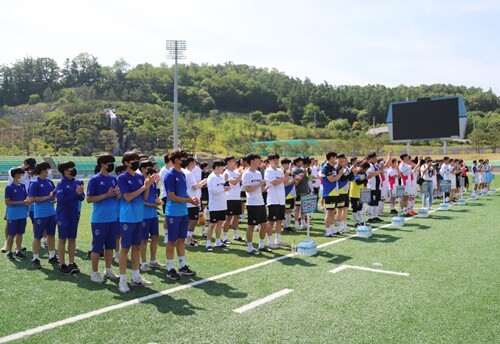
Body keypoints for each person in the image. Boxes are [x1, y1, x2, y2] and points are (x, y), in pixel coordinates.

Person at [116, 151, 154, 293]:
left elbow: (144, 197)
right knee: (125, 249)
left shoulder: (139, 177)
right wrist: (144, 187)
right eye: (133, 160)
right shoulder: (122, 178)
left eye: (137, 159)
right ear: (126, 163)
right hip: (127, 218)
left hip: (139, 217)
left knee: (137, 247)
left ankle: (136, 276)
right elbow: (127, 197)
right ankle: (122, 280)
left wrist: (148, 185)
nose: (136, 162)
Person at [86, 154, 121, 283]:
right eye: (109, 163)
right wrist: (105, 195)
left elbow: (117, 198)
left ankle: (108, 270)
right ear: (102, 165)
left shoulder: (113, 179)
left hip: (112, 218)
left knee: (110, 247)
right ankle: (94, 273)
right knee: (97, 247)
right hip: (99, 220)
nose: (111, 165)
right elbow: (89, 199)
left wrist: (118, 195)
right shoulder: (94, 180)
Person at [164, 149, 198, 280]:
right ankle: (170, 268)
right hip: (173, 212)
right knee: (172, 241)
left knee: (181, 240)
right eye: (183, 158)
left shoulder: (182, 174)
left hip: (183, 212)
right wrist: (189, 200)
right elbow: (171, 196)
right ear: (177, 160)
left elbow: (183, 193)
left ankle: (182, 266)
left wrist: (192, 199)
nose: (185, 160)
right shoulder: (170, 175)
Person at [55, 161, 85, 274]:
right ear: (65, 170)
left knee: (72, 239)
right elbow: (61, 200)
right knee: (62, 239)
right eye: (71, 167)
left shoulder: (77, 182)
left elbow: (82, 198)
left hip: (74, 214)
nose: (73, 169)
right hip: (63, 215)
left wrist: (80, 193)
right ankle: (62, 264)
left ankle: (72, 263)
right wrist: (76, 193)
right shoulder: (61, 183)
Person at [1, 158, 35, 253]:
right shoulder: (14, 170)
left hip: (24, 201)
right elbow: (13, 173)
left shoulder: (28, 174)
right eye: (29, 167)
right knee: (9, 222)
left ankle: (18, 245)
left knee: (21, 222)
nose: (30, 170)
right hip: (13, 201)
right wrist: (23, 171)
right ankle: (7, 244)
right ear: (25, 163)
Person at [29, 162, 57, 269]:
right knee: (37, 236)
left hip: (51, 212)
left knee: (51, 235)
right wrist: (47, 197)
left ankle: (52, 256)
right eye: (47, 169)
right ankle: (35, 258)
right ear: (43, 170)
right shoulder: (35, 183)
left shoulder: (49, 182)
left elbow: (54, 195)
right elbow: (32, 199)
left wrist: (54, 199)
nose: (49, 171)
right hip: (40, 213)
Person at [242, 153, 271, 254]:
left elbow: (260, 188)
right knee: (251, 226)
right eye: (259, 159)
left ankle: (261, 245)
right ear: (253, 160)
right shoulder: (246, 173)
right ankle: (250, 247)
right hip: (252, 203)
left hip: (261, 202)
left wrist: (265, 188)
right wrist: (260, 184)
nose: (260, 161)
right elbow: (248, 189)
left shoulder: (258, 173)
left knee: (264, 225)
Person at [139, 159, 164, 272]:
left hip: (153, 215)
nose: (152, 168)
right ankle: (143, 263)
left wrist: (157, 201)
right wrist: (151, 205)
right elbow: (140, 200)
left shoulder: (153, 181)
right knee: (143, 240)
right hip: (143, 215)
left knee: (155, 237)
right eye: (149, 167)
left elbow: (153, 196)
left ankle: (153, 260)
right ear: (143, 168)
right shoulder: (139, 181)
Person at [4, 167, 30, 260]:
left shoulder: (22, 186)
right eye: (20, 174)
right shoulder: (9, 187)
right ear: (16, 175)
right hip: (13, 215)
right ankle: (9, 252)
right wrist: (21, 202)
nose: (22, 176)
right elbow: (7, 202)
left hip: (22, 214)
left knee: (20, 233)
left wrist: (28, 200)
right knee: (11, 234)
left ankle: (18, 251)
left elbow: (26, 197)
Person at [265, 153, 289, 248]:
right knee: (271, 221)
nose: (276, 161)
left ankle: (278, 240)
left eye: (277, 159)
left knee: (279, 221)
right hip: (273, 199)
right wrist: (285, 177)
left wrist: (289, 178)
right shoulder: (268, 170)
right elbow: (275, 182)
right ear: (270, 160)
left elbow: (284, 183)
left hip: (281, 199)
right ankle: (270, 241)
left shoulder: (280, 171)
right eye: (273, 159)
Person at [206, 160, 229, 252]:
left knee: (220, 224)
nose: (223, 169)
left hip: (222, 204)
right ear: (217, 167)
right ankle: (208, 243)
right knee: (212, 225)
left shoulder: (221, 177)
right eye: (222, 167)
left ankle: (218, 241)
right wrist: (223, 189)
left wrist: (226, 188)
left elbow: (223, 188)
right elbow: (212, 190)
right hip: (214, 205)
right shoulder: (211, 177)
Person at [183, 157, 207, 247]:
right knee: (193, 220)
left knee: (190, 220)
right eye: (193, 163)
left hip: (189, 200)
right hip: (192, 200)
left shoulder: (185, 172)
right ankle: (187, 240)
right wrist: (203, 182)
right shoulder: (189, 173)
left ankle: (188, 239)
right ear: (190, 163)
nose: (195, 165)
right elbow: (195, 187)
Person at [222, 156, 244, 243]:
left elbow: (240, 181)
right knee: (228, 218)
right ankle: (225, 237)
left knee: (236, 217)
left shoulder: (236, 172)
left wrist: (241, 175)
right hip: (229, 198)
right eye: (232, 161)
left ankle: (236, 235)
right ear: (227, 163)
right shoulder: (226, 173)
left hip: (237, 197)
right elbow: (234, 182)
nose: (234, 163)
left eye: (234, 161)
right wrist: (241, 174)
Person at [321, 152, 343, 237]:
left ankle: (332, 229)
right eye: (335, 157)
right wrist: (340, 174)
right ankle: (328, 231)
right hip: (329, 192)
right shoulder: (326, 167)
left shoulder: (332, 167)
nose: (336, 159)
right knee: (328, 211)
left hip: (334, 192)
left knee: (332, 212)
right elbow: (331, 179)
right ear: (331, 157)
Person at [292, 157, 308, 229]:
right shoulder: (294, 171)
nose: (302, 162)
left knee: (304, 208)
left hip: (305, 190)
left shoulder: (303, 169)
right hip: (298, 191)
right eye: (300, 161)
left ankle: (303, 222)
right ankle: (296, 223)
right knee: (297, 208)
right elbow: (295, 182)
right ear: (297, 163)